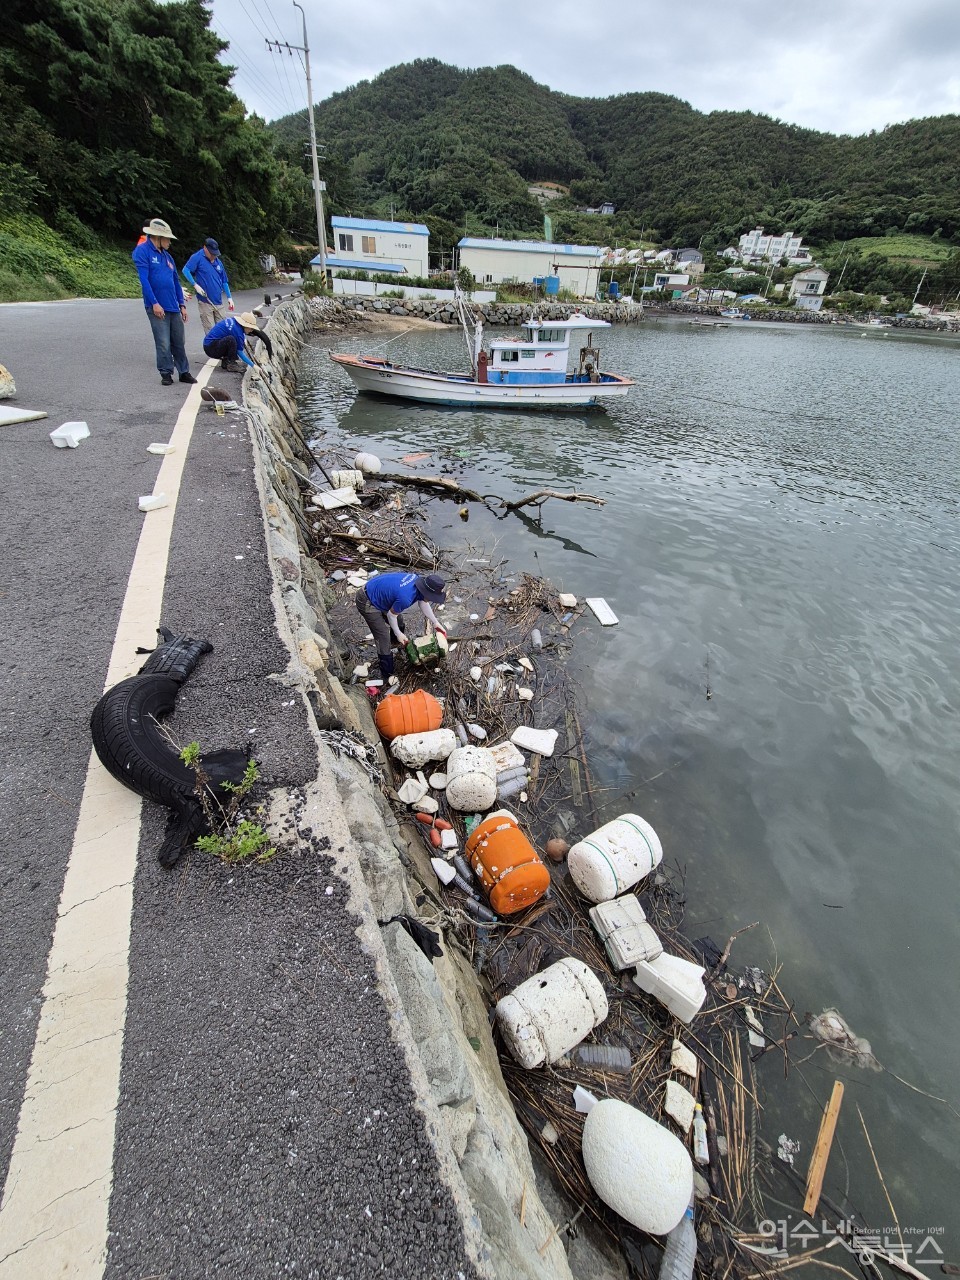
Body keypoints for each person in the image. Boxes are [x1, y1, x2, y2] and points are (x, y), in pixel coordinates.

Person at [131, 217, 196, 387]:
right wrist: (154, 303)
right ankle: (166, 372)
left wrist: (182, 305)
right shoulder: (142, 252)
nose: (169, 242)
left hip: (173, 305)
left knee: (178, 341)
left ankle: (184, 371)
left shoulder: (167, 257)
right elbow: (144, 280)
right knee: (163, 341)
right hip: (157, 306)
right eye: (167, 239)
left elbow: (175, 281)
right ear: (157, 237)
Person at [356, 572, 447, 680]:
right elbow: (391, 615)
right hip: (367, 599)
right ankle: (387, 673)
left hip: (381, 593)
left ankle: (395, 644)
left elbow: (423, 602)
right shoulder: (406, 597)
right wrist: (398, 633)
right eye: (433, 597)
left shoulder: (420, 583)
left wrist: (435, 622)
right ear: (427, 592)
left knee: (399, 622)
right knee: (383, 636)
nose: (432, 599)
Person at [182, 238, 234, 333]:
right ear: (205, 248)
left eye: (215, 254)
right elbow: (185, 270)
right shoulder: (197, 257)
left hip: (218, 302)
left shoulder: (218, 262)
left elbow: (224, 281)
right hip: (205, 302)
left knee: (223, 331)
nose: (214, 256)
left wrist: (229, 298)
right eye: (212, 253)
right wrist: (195, 285)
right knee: (211, 333)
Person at [202, 312, 272, 372]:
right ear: (245, 325)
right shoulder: (238, 332)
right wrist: (253, 366)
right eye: (251, 328)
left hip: (209, 345)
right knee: (231, 340)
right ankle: (232, 364)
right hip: (211, 348)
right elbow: (240, 353)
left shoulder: (234, 322)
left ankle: (226, 362)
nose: (251, 331)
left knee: (231, 340)